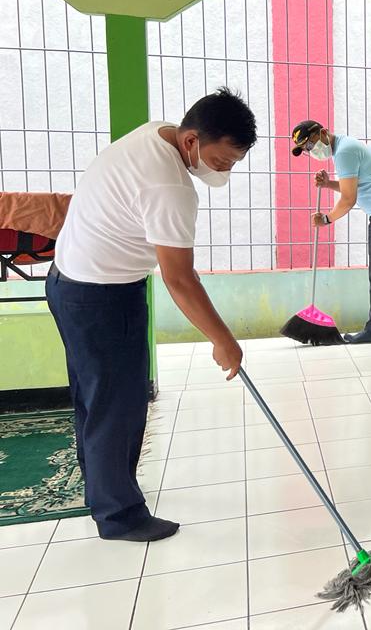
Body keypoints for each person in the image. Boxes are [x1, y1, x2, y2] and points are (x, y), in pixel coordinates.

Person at [47, 88, 256, 542]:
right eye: (221, 161)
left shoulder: (157, 132)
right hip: (101, 297)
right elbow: (179, 279)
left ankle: (102, 488)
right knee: (118, 406)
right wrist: (224, 340)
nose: (224, 171)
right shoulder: (170, 187)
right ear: (191, 140)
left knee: (95, 398)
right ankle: (119, 516)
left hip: (68, 282)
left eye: (233, 163)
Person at [290, 120, 371, 362]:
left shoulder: (345, 151)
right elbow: (355, 185)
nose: (310, 151)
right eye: (306, 150)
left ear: (323, 133)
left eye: (310, 144)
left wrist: (327, 219)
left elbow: (348, 199)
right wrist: (328, 184)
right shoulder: (341, 151)